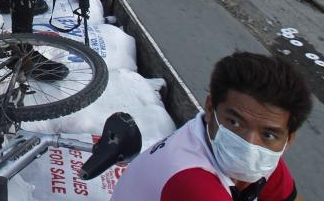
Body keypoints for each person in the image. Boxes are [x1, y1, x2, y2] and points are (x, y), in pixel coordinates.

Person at [112, 51, 311, 200]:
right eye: (235, 123)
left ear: (288, 139)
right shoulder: (193, 182)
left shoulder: (263, 161)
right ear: (209, 107)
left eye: (268, 134)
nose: (248, 145)